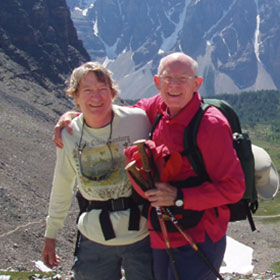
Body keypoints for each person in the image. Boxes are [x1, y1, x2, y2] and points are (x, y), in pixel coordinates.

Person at [53, 53, 245, 280]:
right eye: (167, 78)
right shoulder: (156, 108)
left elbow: (234, 188)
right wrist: (75, 115)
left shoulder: (210, 125)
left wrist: (179, 196)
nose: (174, 85)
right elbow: (111, 113)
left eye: (183, 78)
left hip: (200, 235)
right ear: (157, 82)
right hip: (160, 235)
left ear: (197, 83)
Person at [42, 62, 154, 280]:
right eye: (88, 91)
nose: (97, 97)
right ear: (75, 96)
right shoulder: (68, 134)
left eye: (103, 90)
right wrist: (51, 233)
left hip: (141, 235)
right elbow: (63, 183)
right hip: (94, 237)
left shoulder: (138, 120)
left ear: (112, 94)